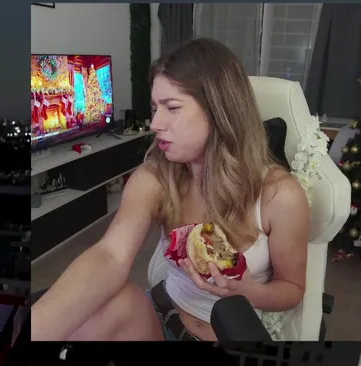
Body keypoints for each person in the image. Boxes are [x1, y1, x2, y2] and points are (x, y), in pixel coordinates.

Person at [32, 37, 309, 342]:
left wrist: (248, 292)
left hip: (226, 333)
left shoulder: (280, 196)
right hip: (158, 315)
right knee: (108, 306)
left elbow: (292, 290)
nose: (155, 124)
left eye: (172, 107)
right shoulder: (156, 177)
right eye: (155, 108)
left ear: (220, 112)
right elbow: (110, 255)